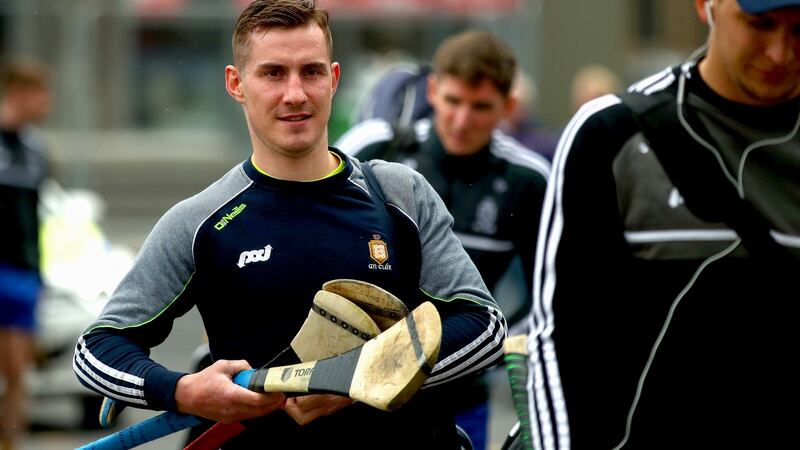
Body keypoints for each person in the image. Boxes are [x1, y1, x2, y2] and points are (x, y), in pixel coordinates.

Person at [72, 1, 506, 449]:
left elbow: (485, 327)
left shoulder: (400, 195)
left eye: (311, 72)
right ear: (236, 84)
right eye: (273, 73)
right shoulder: (200, 221)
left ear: (334, 80)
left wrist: (360, 379)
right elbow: (96, 350)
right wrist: (183, 391)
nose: (295, 93)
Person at [524, 1, 800, 449]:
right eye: (760, 24)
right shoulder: (613, 135)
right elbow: (558, 340)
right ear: (706, 6)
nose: (779, 53)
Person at [335, 30, 549, 450]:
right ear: (433, 90)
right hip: (358, 384)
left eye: (481, 106)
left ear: (508, 107)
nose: (462, 119)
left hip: (461, 392)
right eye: (453, 101)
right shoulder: (376, 144)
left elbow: (551, 292)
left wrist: (492, 346)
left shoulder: (529, 180)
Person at [0, 58, 52, 450]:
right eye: (40, 94)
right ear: (18, 94)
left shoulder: (36, 147)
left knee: (17, 370)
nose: (46, 103)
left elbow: (37, 214)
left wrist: (39, 274)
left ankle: (11, 441)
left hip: (22, 273)